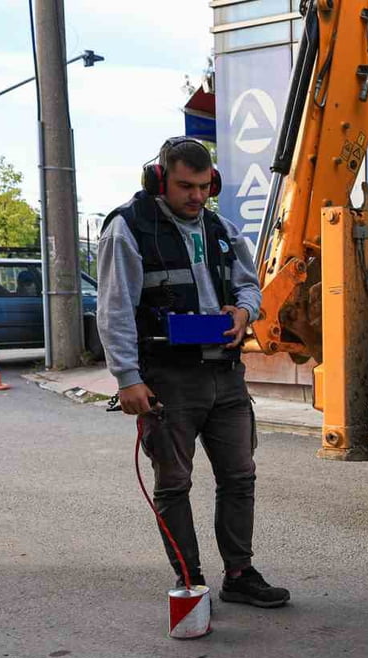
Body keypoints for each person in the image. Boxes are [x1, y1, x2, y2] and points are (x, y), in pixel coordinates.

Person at [96, 136, 289, 608]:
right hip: (167, 380)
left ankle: (240, 575)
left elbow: (250, 285)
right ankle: (190, 582)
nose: (197, 197)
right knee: (174, 483)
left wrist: (245, 312)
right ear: (160, 179)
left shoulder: (222, 228)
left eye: (205, 186)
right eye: (186, 186)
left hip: (225, 375)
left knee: (240, 478)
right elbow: (114, 310)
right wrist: (127, 379)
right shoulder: (128, 229)